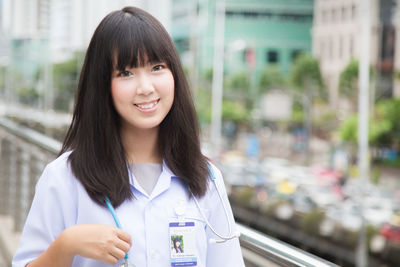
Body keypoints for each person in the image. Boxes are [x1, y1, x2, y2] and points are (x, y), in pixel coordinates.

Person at [12, 6, 244, 267]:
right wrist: (68, 244)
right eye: (126, 73)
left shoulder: (206, 178)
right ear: (102, 85)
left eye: (157, 67)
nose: (145, 87)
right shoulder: (64, 177)